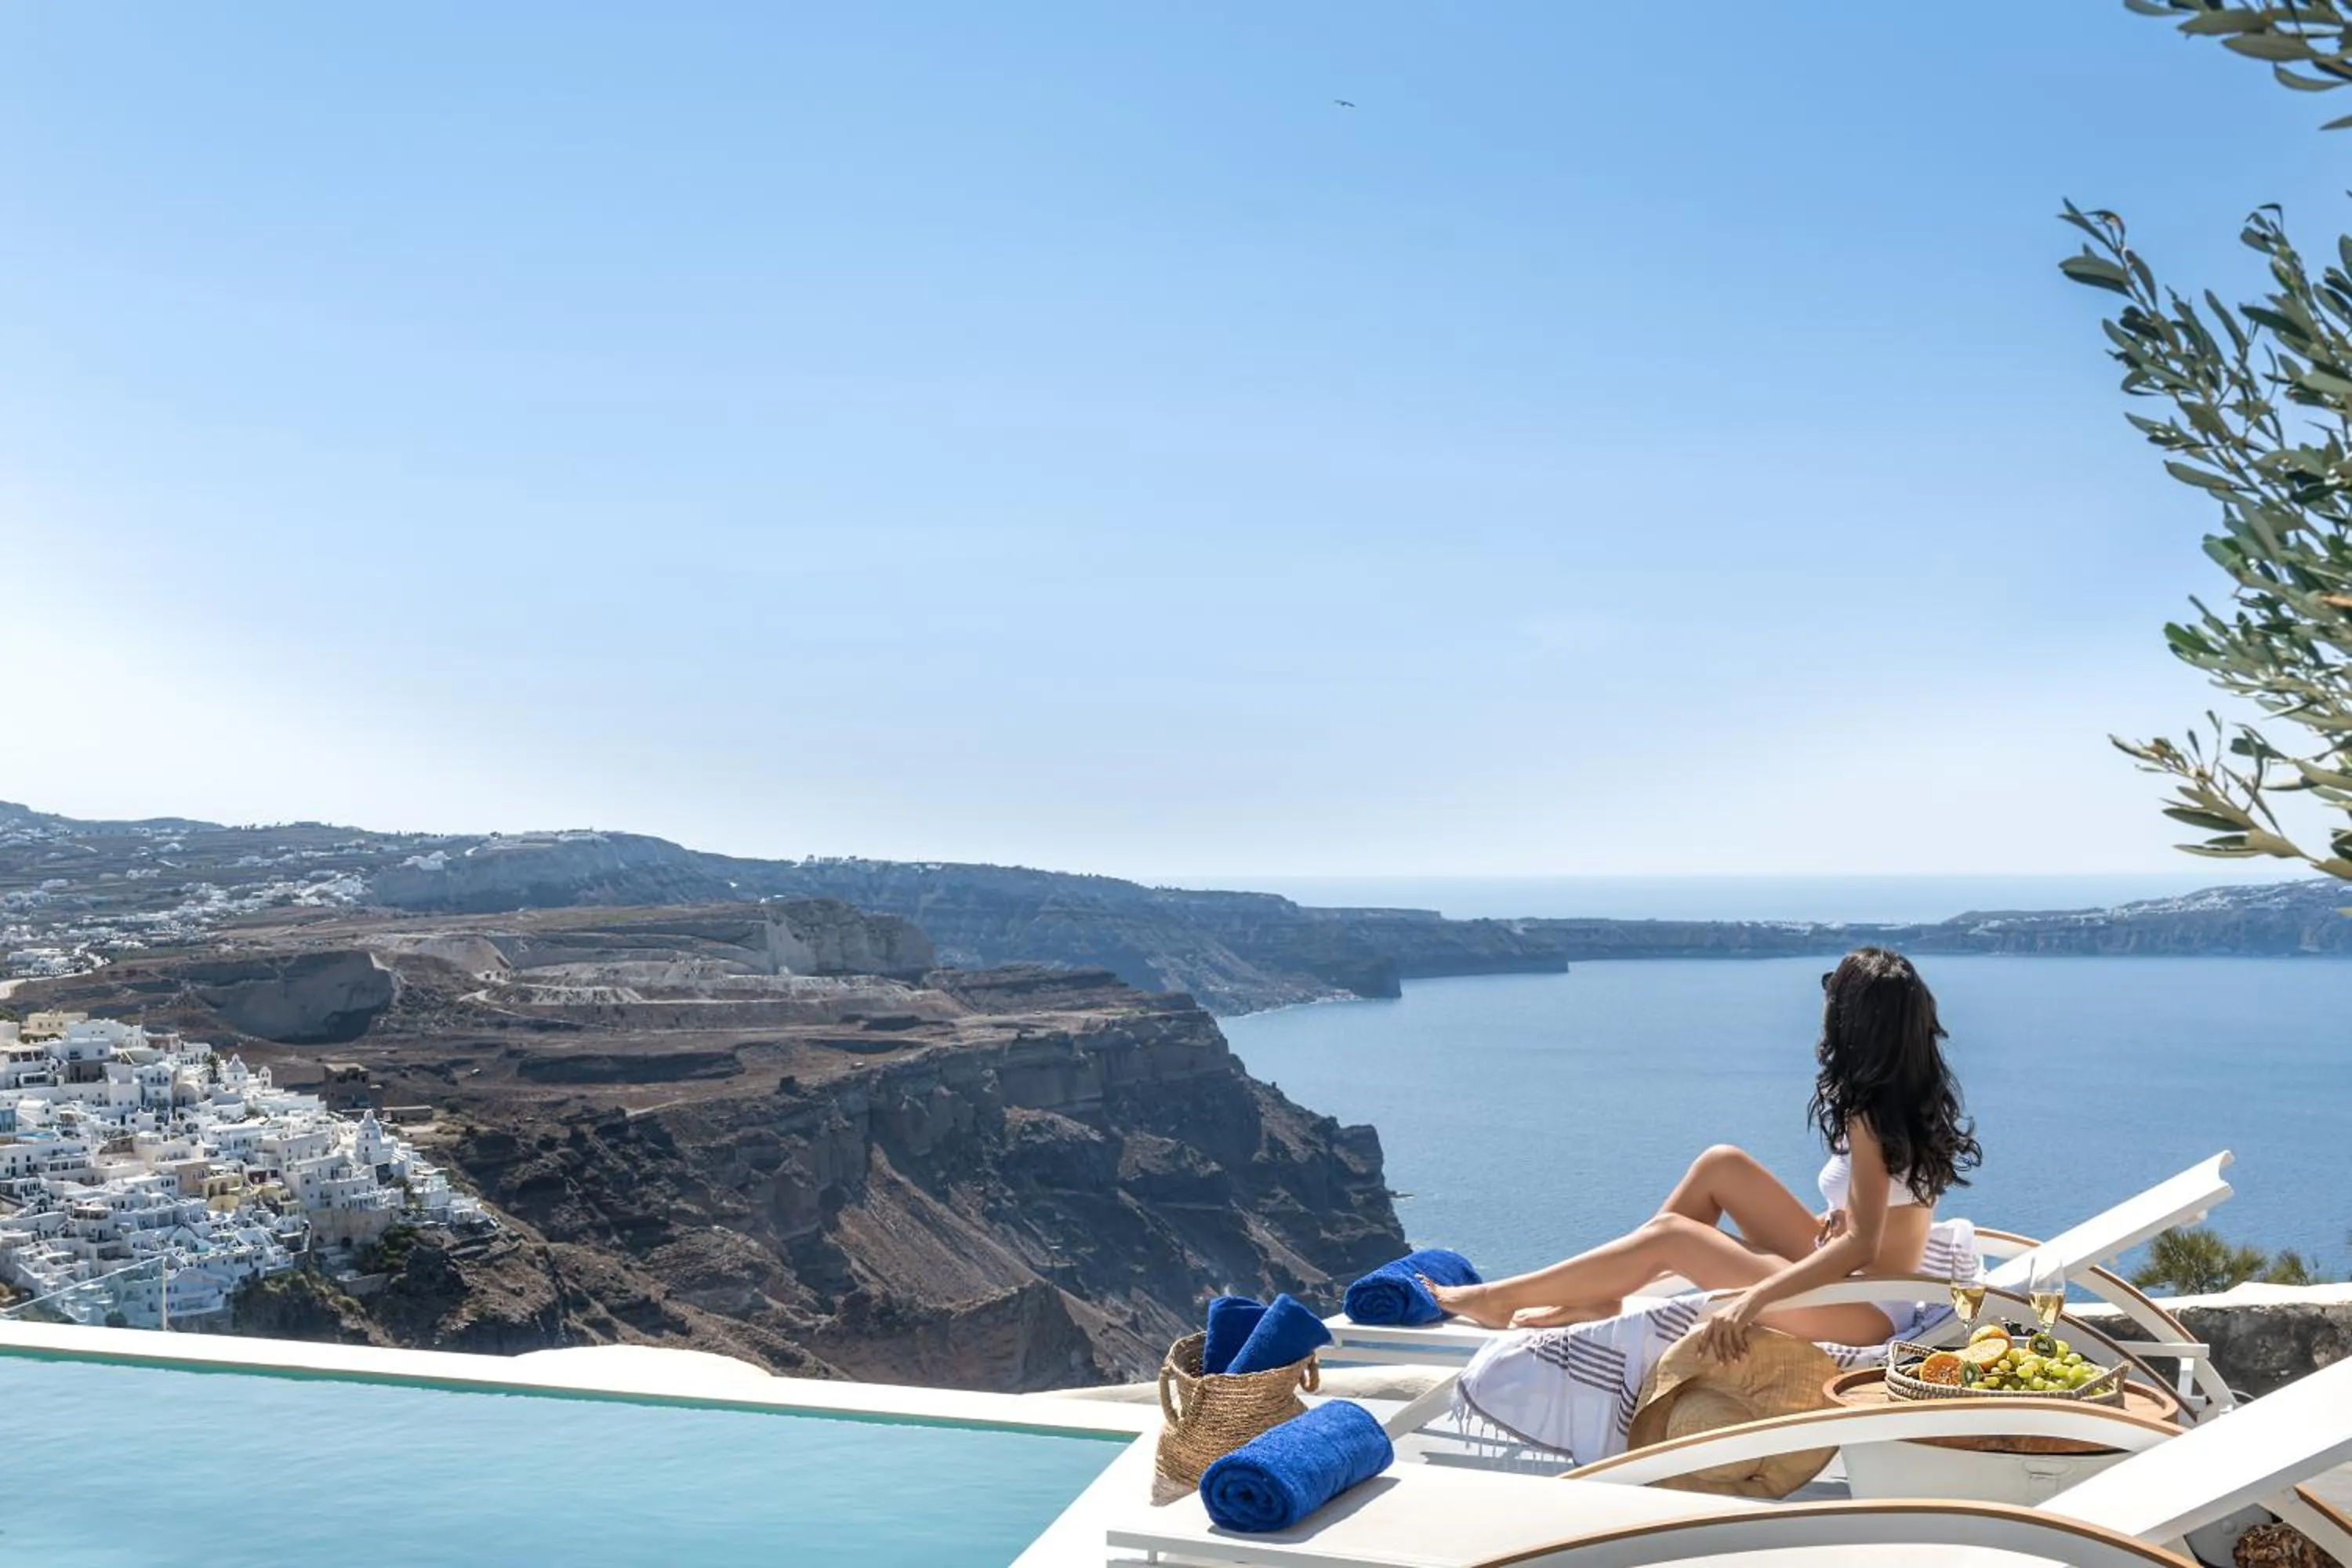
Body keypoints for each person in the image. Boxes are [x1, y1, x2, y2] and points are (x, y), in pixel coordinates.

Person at [1423, 946, 1981, 1359]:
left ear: (1856, 1019)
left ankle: (1500, 1299)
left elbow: (1863, 1242)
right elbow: (1882, 1219)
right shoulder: (1908, 1092)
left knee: (1673, 1236)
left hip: (1865, 1311)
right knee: (1723, 1165)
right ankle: (1601, 1294)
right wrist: (1846, 1219)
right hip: (1871, 1286)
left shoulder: (1870, 1113)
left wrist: (1754, 1298)